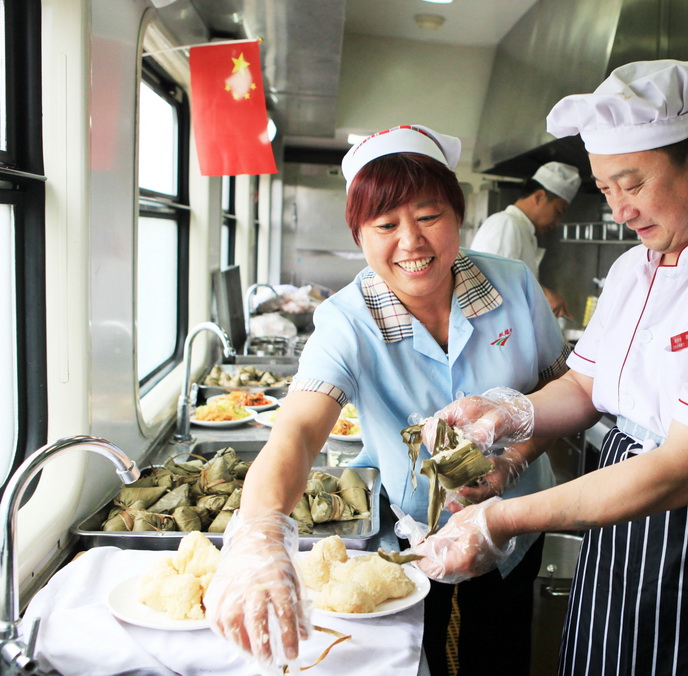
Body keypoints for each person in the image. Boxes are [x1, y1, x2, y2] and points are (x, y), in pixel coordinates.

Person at [409, 60, 688, 675]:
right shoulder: (637, 266)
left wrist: (499, 521)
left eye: (632, 185)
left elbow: (678, 473)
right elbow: (587, 387)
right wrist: (509, 420)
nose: (619, 211)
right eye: (607, 189)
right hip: (621, 526)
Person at [203, 124, 570, 674]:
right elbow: (299, 432)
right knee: (422, 659)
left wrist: (513, 461)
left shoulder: (515, 286)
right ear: (359, 235)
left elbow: (561, 394)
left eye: (428, 217)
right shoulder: (346, 322)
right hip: (410, 542)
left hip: (516, 525)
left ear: (457, 216)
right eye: (385, 224)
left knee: (501, 652)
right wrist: (258, 531)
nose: (412, 242)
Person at [469, 161, 581, 318]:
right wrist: (543, 294)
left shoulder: (522, 230)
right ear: (539, 197)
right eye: (558, 211)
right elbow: (488, 282)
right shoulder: (505, 223)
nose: (558, 222)